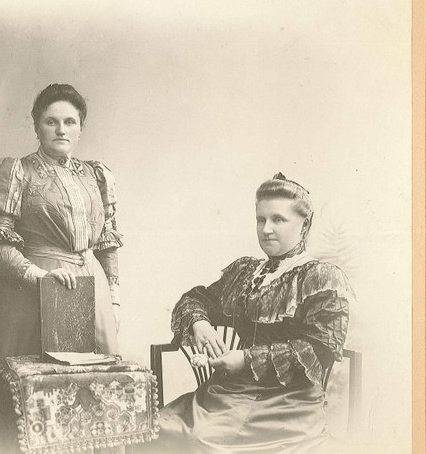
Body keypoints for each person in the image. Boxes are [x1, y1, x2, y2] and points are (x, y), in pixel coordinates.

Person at [147, 173, 353, 453]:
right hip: (229, 393)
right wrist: (200, 322)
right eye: (260, 219)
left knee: (201, 442)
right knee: (156, 429)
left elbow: (320, 349)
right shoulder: (246, 272)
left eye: (278, 219)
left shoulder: (321, 278)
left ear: (304, 226)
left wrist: (245, 359)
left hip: (289, 403)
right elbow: (196, 299)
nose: (266, 229)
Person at [0, 83, 122, 358]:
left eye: (69, 122)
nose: (61, 130)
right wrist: (40, 277)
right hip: (31, 291)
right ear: (37, 127)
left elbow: (106, 243)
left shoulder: (96, 176)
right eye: (51, 122)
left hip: (92, 289)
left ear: (80, 129)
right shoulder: (17, 172)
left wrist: (113, 301)